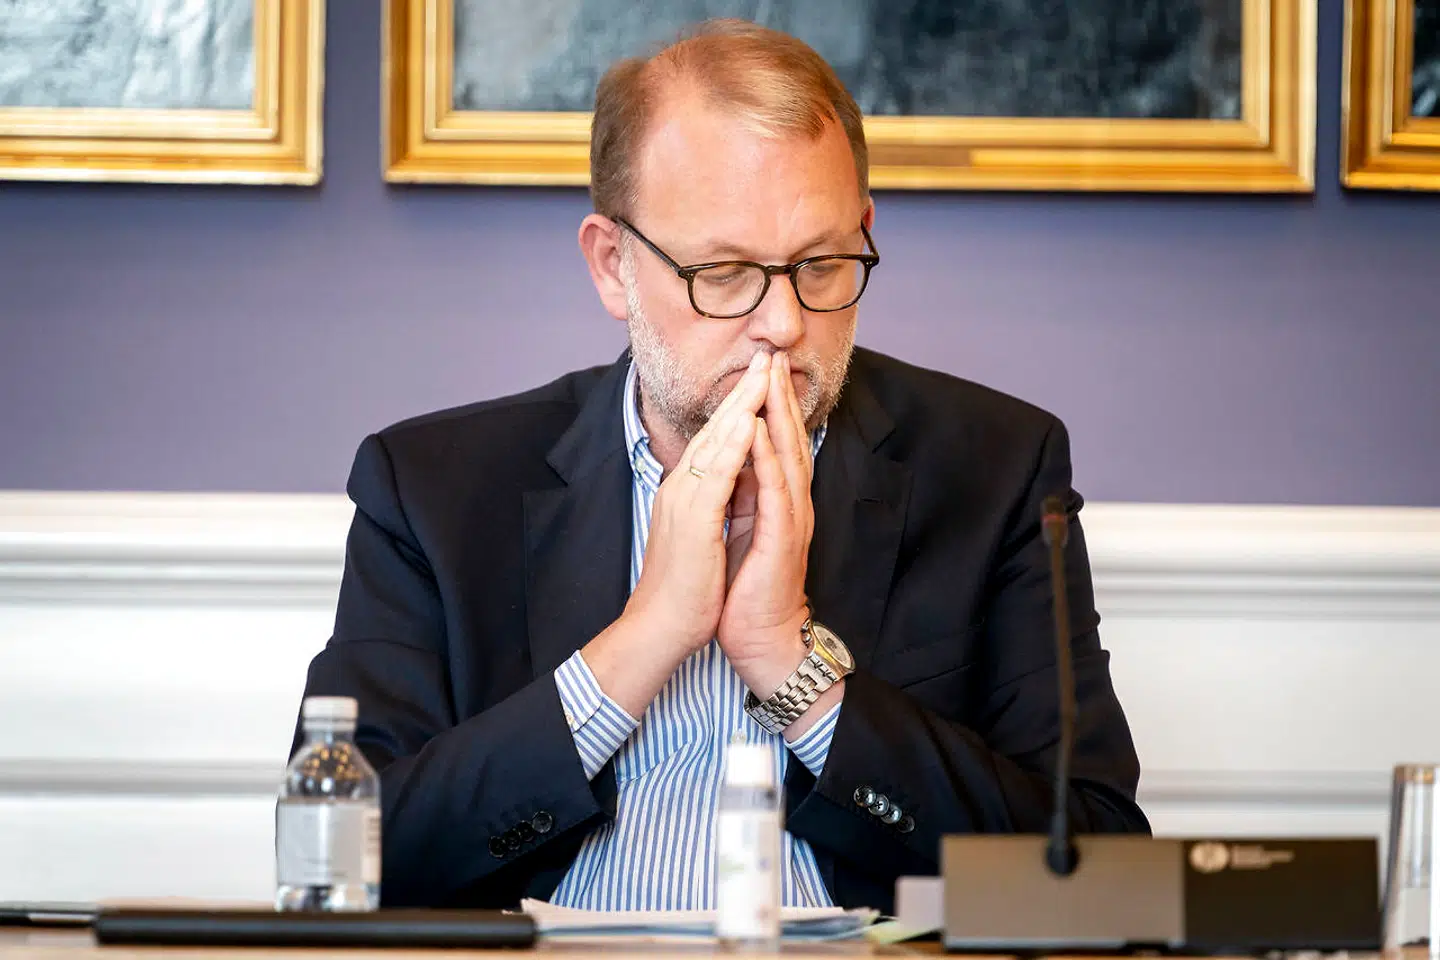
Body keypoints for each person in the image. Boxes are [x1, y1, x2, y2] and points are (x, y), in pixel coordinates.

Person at [294, 19, 1149, 914]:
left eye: (821, 263)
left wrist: (794, 671)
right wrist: (642, 640)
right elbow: (348, 864)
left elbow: (1095, 873)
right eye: (726, 272)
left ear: (865, 229)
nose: (783, 323)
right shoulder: (431, 487)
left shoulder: (997, 470)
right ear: (612, 265)